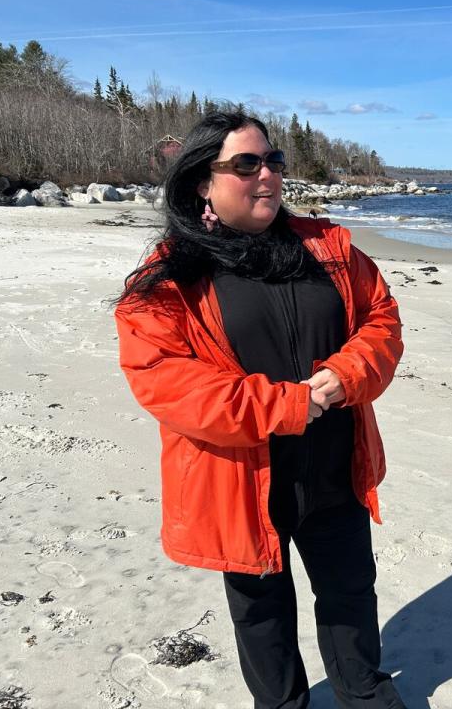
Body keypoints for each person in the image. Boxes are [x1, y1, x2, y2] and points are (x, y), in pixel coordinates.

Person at [114, 111, 406, 709]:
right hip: (241, 482)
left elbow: (382, 319)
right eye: (246, 164)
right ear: (203, 181)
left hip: (334, 470)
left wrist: (346, 375)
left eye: (273, 160)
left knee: (351, 595)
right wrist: (291, 404)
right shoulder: (170, 279)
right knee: (262, 615)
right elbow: (166, 382)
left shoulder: (328, 249)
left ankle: (365, 696)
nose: (267, 173)